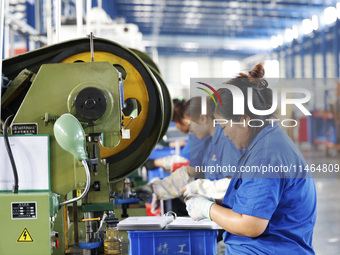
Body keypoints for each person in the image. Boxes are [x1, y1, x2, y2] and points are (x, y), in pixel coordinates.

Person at [185, 64, 317, 254]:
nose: (225, 133)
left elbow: (251, 224)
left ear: (244, 119)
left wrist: (207, 209)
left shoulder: (265, 156)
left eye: (224, 126)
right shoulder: (266, 143)